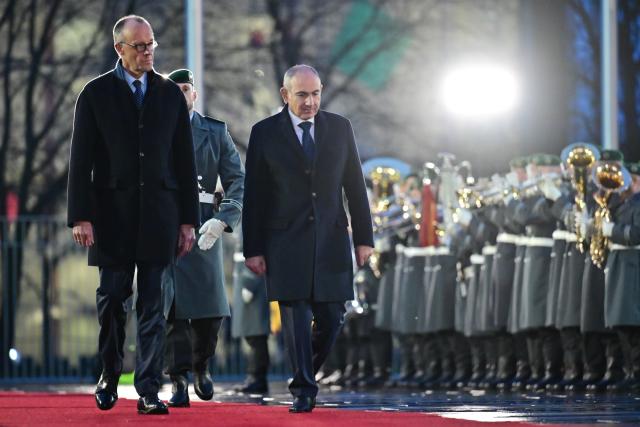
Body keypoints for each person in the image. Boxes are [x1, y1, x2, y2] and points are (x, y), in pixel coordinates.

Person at [67, 15, 199, 415]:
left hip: (160, 213)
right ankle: (109, 373)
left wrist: (188, 220)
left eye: (151, 45)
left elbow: (183, 159)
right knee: (111, 300)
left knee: (154, 307)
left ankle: (147, 389)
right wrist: (80, 216)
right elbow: (80, 160)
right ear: (119, 49)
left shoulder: (169, 94)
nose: (147, 53)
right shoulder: (95, 94)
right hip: (111, 216)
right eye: (139, 46)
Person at [242, 64, 374, 413]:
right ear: (285, 95)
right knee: (296, 318)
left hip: (331, 240)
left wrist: (364, 238)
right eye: (302, 95)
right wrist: (252, 249)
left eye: (315, 94)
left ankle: (305, 375)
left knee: (333, 318)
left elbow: (355, 187)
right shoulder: (264, 133)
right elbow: (254, 196)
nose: (310, 102)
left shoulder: (340, 128)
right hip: (284, 242)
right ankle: (303, 389)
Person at [161, 69, 245, 407]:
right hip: (165, 225)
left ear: (194, 94)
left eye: (186, 89)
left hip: (203, 224)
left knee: (211, 307)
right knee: (172, 310)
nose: (181, 95)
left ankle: (202, 365)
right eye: (175, 90)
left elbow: (237, 179)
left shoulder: (215, 131)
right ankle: (178, 376)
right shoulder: (154, 130)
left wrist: (224, 220)